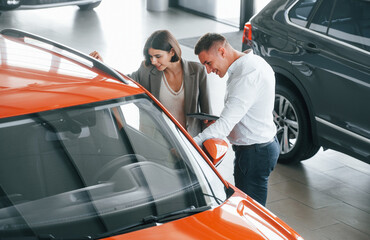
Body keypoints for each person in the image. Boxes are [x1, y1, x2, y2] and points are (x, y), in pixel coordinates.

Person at [193, 33, 279, 206]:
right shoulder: (253, 64)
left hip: (253, 154)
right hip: (262, 146)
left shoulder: (246, 76)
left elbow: (224, 126)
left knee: (250, 214)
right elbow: (244, 110)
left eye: (208, 63)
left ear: (222, 51)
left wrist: (189, 144)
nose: (208, 71)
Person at [90, 30, 211, 137]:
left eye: (158, 56)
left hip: (189, 142)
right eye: (151, 56)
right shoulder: (147, 70)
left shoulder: (197, 71)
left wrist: (205, 144)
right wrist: (102, 66)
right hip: (158, 140)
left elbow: (207, 115)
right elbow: (123, 81)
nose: (153, 61)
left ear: (172, 52)